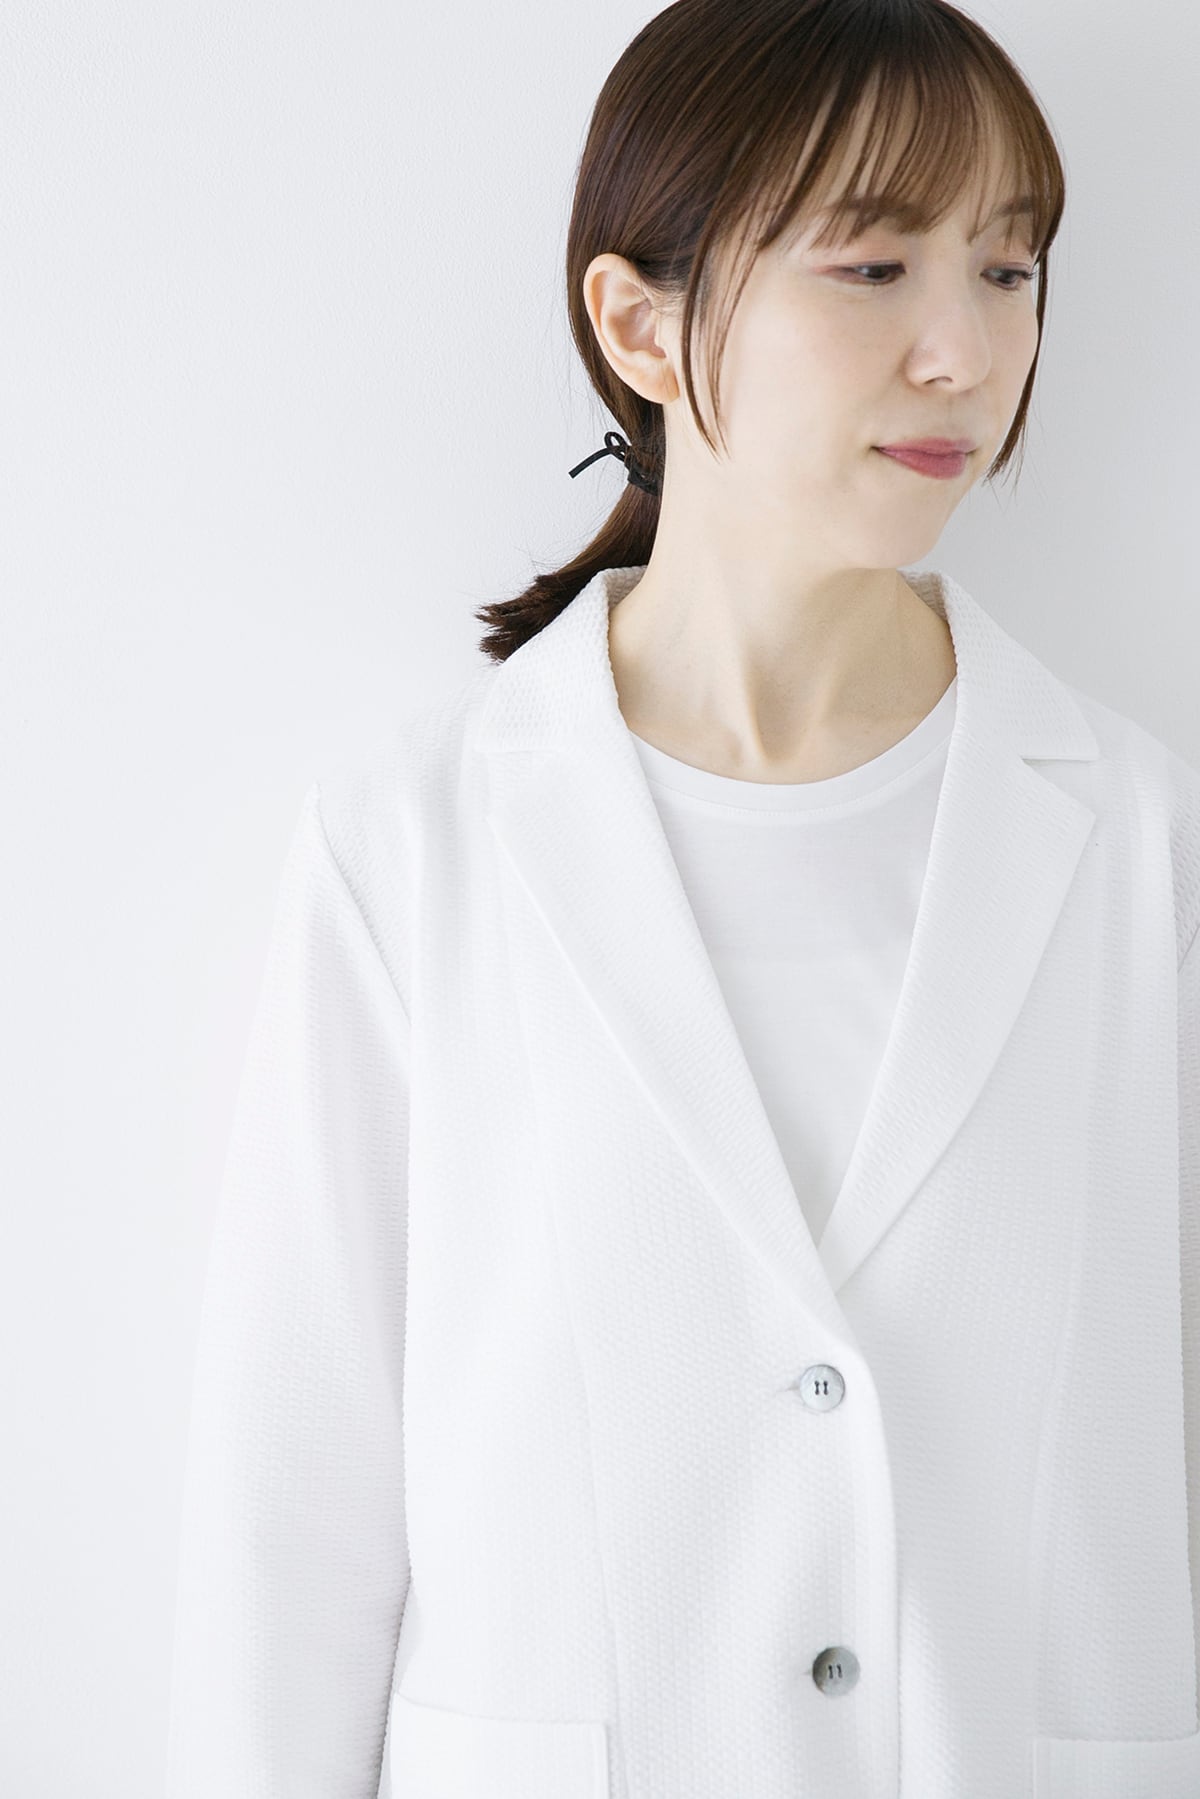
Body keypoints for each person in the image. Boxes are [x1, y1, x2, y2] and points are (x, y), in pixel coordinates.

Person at [165, 1, 1200, 1794]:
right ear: (641, 324)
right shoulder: (410, 844)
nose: (966, 351)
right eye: (874, 265)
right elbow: (291, 1524)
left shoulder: (1138, 840)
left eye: (1009, 269)